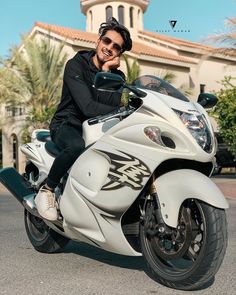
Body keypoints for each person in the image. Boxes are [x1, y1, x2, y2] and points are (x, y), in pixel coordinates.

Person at [35, 17, 132, 221]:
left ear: (119, 54)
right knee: (76, 145)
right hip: (68, 123)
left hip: (99, 127)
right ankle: (47, 189)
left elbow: (111, 109)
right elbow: (88, 107)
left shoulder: (118, 76)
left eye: (116, 47)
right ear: (98, 41)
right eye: (107, 41)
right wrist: (106, 78)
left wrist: (107, 72)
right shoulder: (75, 65)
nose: (109, 48)